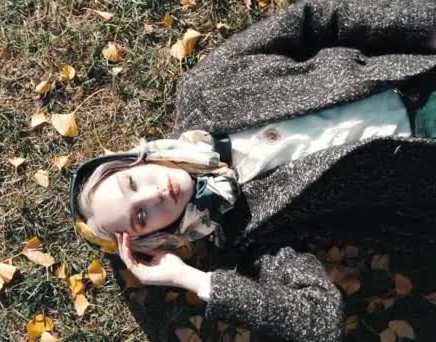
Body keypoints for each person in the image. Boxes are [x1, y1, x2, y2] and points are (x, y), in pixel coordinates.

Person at [68, 0, 436, 341]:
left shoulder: (204, 90)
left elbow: (314, 22)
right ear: (157, 235)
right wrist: (191, 278)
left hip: (418, 72)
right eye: (142, 216)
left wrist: (424, 27)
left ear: (136, 159)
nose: (153, 194)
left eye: (132, 183)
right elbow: (319, 319)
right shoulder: (246, 234)